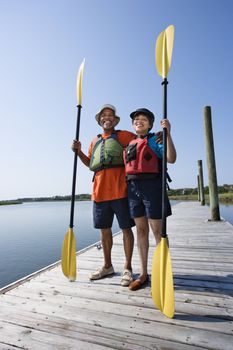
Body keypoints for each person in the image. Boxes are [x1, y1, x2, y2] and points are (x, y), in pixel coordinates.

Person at [72, 104, 135, 286]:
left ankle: (128, 268)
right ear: (100, 120)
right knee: (104, 231)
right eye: (103, 115)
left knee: (126, 229)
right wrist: (79, 152)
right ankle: (107, 266)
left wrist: (159, 136)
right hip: (99, 193)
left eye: (110, 115)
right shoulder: (95, 140)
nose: (107, 117)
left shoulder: (124, 135)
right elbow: (90, 163)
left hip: (121, 190)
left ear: (115, 120)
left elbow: (141, 139)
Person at [123, 108, 177, 291]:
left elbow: (171, 158)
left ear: (150, 124)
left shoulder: (156, 139)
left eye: (143, 119)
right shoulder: (130, 143)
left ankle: (163, 271)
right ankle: (144, 273)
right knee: (141, 231)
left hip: (152, 189)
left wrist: (167, 134)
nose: (139, 121)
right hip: (133, 190)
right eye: (136, 119)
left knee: (158, 232)